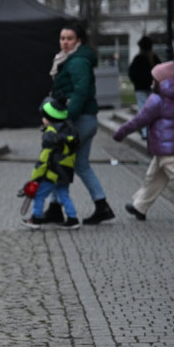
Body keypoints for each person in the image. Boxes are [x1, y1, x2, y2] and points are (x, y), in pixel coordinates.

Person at [46, 21, 115, 225]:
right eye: (62, 38)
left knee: (61, 162)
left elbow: (80, 91)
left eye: (69, 39)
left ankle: (57, 209)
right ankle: (102, 205)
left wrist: (66, 117)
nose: (65, 42)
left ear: (78, 41)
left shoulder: (77, 62)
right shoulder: (70, 59)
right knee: (81, 165)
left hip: (78, 120)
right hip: (85, 119)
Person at [113, 61, 174, 220]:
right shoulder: (173, 96)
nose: (151, 83)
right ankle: (140, 206)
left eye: (153, 79)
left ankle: (140, 206)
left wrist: (121, 132)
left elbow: (139, 120)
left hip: (165, 147)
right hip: (167, 145)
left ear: (160, 81)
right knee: (153, 177)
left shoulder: (157, 99)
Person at [22, 98, 81, 230]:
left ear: (49, 119)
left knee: (39, 195)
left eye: (44, 117)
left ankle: (36, 219)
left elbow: (45, 157)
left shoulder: (50, 134)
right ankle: (73, 219)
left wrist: (36, 175)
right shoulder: (69, 130)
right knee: (64, 195)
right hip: (66, 170)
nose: (42, 119)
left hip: (52, 171)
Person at [127, 36, 160, 139]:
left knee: (143, 109)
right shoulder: (154, 58)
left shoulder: (138, 59)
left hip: (140, 88)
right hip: (153, 88)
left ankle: (146, 132)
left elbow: (132, 73)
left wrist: (136, 82)